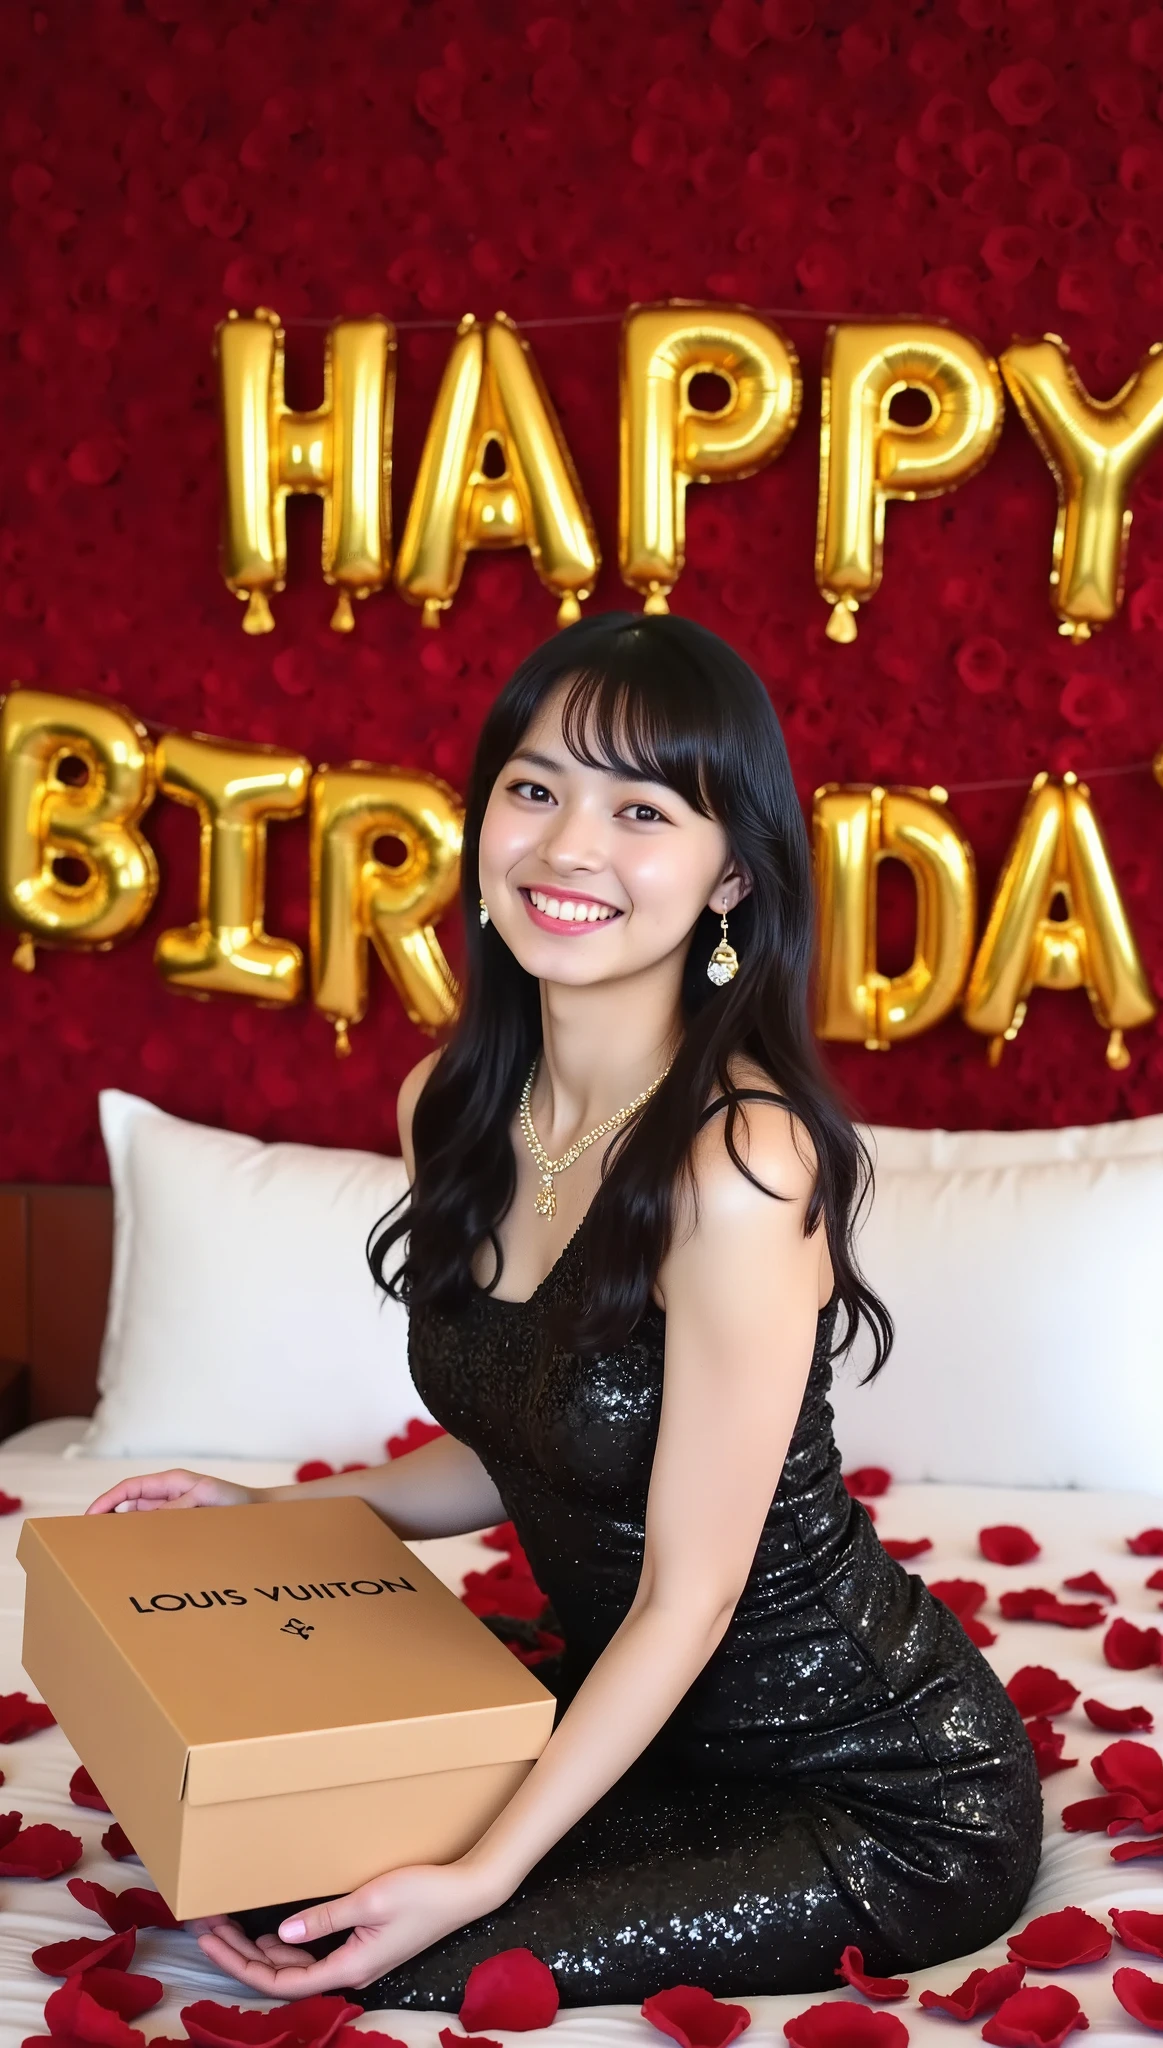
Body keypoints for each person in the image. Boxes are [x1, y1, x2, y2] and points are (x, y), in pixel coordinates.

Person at [86, 613, 1040, 2009]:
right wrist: (274, 1518)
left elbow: (691, 1590)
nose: (567, 846)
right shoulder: (454, 1105)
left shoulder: (740, 1165)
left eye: (640, 809)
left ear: (729, 880)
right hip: (640, 1724)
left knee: (398, 1961)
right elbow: (527, 1436)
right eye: (535, 790)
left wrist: (482, 1876)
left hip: (867, 1782)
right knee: (292, 1888)